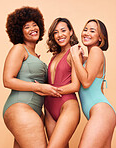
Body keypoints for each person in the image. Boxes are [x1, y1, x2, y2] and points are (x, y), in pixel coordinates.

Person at [3, 6, 62, 148]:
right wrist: (39, 86)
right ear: (19, 31)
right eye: (26, 26)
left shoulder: (34, 55)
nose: (32, 28)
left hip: (34, 112)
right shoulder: (19, 48)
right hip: (20, 108)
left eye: (35, 25)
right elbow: (7, 80)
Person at [70, 19, 116, 148]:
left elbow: (85, 82)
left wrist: (74, 56)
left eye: (92, 31)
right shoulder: (87, 59)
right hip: (103, 113)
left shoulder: (96, 51)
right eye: (85, 29)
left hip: (101, 112)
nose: (86, 33)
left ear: (100, 38)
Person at [44, 17, 80, 148]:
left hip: (67, 105)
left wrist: (47, 90)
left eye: (63, 30)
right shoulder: (55, 56)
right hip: (48, 107)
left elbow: (75, 85)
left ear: (71, 32)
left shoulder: (75, 53)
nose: (60, 35)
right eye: (55, 32)